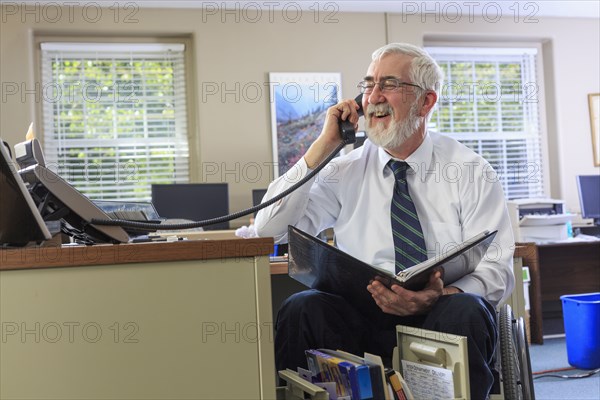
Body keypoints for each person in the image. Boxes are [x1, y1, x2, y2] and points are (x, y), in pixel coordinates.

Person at [255, 43, 515, 399]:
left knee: (466, 309)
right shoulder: (342, 170)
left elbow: (497, 268)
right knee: (302, 308)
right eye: (368, 85)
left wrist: (439, 294)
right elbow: (269, 230)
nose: (373, 97)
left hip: (439, 311)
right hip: (359, 313)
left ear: (426, 102)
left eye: (389, 85)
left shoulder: (470, 170)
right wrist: (321, 148)